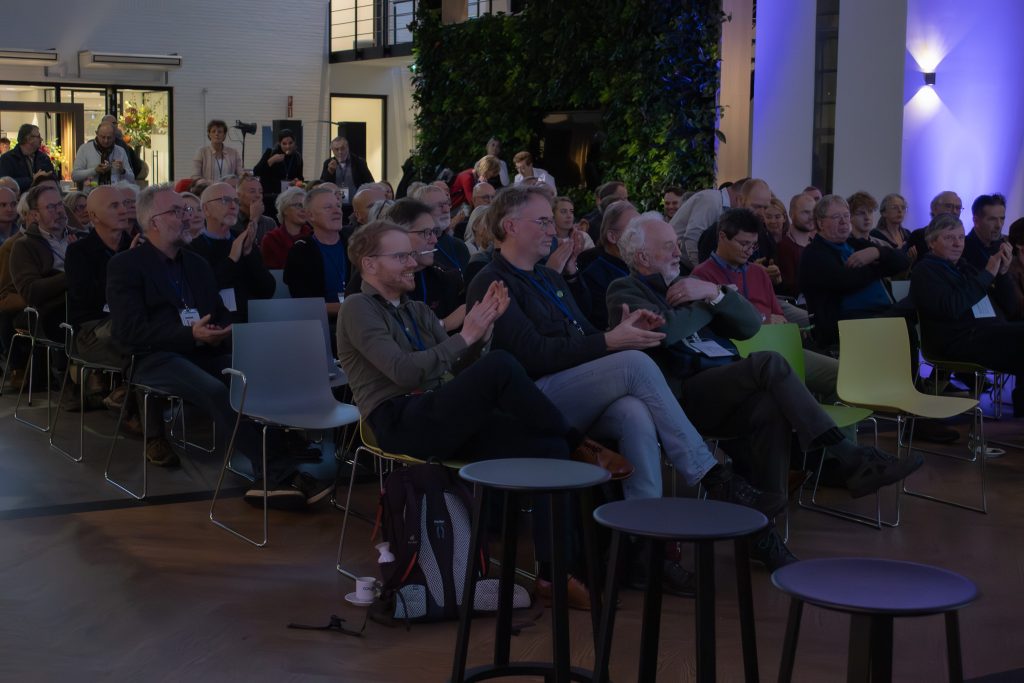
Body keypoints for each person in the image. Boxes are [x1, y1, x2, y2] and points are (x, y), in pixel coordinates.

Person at [468, 185, 788, 590]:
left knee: (635, 412)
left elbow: (583, 335)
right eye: (543, 221)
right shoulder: (490, 281)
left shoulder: (548, 277)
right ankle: (711, 475)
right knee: (636, 363)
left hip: (565, 392)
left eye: (551, 220)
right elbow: (531, 356)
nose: (553, 229)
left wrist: (622, 330)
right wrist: (611, 341)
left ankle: (645, 547)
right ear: (511, 226)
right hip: (529, 403)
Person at [337, 220, 626, 605]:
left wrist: (483, 332)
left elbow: (458, 368)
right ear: (370, 264)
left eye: (412, 254)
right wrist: (466, 335)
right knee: (502, 365)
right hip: (399, 420)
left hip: (440, 413)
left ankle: (553, 575)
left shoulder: (417, 310)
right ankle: (581, 442)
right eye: (401, 256)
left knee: (549, 448)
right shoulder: (357, 308)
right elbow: (403, 373)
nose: (413, 262)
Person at [607, 211, 921, 564]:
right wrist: (709, 305)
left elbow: (748, 326)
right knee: (768, 362)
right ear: (643, 256)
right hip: (686, 395)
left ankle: (762, 533)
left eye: (677, 244)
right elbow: (666, 333)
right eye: (668, 246)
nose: (678, 251)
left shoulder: (690, 285)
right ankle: (847, 456)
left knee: (771, 409)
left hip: (725, 380)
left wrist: (713, 292)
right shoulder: (624, 290)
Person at [107, 184, 325, 504]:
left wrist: (222, 328)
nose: (186, 217)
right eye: (177, 212)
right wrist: (189, 334)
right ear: (154, 221)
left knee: (254, 377)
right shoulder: (126, 265)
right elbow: (128, 331)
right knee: (216, 391)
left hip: (200, 349)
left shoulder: (195, 263)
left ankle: (279, 467)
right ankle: (278, 474)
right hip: (152, 357)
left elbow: (218, 309)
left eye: (187, 210)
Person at [911, 213, 1023, 416]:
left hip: (987, 333)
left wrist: (1003, 274)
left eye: (961, 237)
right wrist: (987, 275)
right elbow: (953, 307)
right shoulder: (925, 270)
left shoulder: (964, 268)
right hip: (958, 340)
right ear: (932, 242)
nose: (957, 244)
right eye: (949, 238)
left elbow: (1010, 307)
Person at [799, 195, 910, 349]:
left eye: (846, 215)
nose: (844, 221)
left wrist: (876, 252)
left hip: (880, 315)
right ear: (820, 223)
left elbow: (903, 261)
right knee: (901, 325)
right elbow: (846, 281)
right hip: (847, 323)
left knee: (910, 318)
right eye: (836, 217)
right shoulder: (813, 253)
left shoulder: (854, 244)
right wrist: (877, 267)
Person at [63, 186, 134, 405]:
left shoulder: (137, 246)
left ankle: (126, 396)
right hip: (93, 329)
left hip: (133, 322)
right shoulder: (79, 252)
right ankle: (132, 406)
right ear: (93, 216)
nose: (123, 210)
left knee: (158, 344)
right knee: (143, 352)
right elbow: (87, 297)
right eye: (114, 206)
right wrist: (126, 264)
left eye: (124, 204)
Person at [192, 182, 275, 322]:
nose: (233, 206)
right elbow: (202, 291)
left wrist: (248, 253)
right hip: (212, 325)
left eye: (236, 201)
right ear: (206, 209)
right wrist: (231, 260)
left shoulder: (243, 239)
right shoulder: (193, 248)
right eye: (225, 200)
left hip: (248, 323)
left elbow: (267, 290)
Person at [10, 183, 69, 341]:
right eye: (50, 207)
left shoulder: (79, 237)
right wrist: (70, 275)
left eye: (59, 204)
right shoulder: (25, 246)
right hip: (54, 314)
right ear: (35, 215)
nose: (58, 211)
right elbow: (30, 292)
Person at [284, 186, 351, 317]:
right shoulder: (300, 251)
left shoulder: (355, 245)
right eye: (328, 207)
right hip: (318, 323)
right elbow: (304, 304)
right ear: (310, 216)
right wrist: (347, 308)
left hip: (357, 320)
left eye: (338, 206)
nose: (337, 211)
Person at [580, 199, 637, 330]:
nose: (642, 234)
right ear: (612, 236)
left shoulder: (639, 265)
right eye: (633, 229)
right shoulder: (594, 276)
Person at [672, 179, 744, 270]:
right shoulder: (712, 200)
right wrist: (701, 270)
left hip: (682, 261)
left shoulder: (719, 202)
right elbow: (692, 236)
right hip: (679, 263)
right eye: (755, 206)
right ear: (740, 199)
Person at [410, 184, 471, 277]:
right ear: (421, 210)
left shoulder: (459, 246)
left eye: (447, 204)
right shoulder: (413, 249)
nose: (446, 210)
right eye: (440, 205)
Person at [319, 136, 373, 220]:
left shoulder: (359, 162)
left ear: (347, 148)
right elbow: (323, 186)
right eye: (336, 149)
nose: (340, 152)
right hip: (336, 205)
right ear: (332, 151)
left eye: (343, 148)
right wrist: (330, 172)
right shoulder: (328, 163)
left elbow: (370, 182)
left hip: (355, 206)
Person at [253, 129, 303, 219]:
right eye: (284, 144)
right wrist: (271, 161)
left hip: (288, 197)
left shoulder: (297, 157)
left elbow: (300, 178)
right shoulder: (270, 153)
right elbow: (257, 171)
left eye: (290, 143)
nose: (288, 146)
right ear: (280, 143)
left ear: (294, 143)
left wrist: (297, 181)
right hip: (271, 197)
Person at [774, 192, 816, 298]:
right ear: (791, 214)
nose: (811, 217)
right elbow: (789, 288)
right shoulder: (784, 247)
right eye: (806, 212)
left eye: (814, 212)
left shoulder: (817, 246)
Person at [71, 122, 135, 188]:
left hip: (115, 193)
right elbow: (75, 176)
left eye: (109, 138)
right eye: (103, 137)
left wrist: (123, 171)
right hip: (91, 193)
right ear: (96, 134)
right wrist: (94, 171)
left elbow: (132, 179)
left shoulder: (120, 151)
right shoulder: (85, 149)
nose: (106, 141)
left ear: (114, 136)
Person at [261, 186, 311, 269]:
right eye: (298, 205)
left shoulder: (313, 236)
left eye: (305, 206)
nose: (303, 210)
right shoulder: (271, 239)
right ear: (284, 210)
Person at [0, 124, 56, 191]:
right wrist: (32, 180)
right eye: (38, 136)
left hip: (42, 196)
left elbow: (54, 179)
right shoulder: (7, 159)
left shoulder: (43, 158)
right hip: (18, 197)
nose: (41, 139)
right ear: (29, 139)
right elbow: (4, 184)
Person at [962, 194, 1007, 271]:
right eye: (992, 219)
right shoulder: (961, 250)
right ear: (976, 221)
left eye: (1002, 219)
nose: (999, 225)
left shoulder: (1004, 246)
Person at [233, 173, 277, 245]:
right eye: (252, 191)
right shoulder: (232, 221)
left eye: (260, 192)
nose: (258, 195)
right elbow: (243, 248)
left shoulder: (269, 223)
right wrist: (254, 218)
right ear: (238, 196)